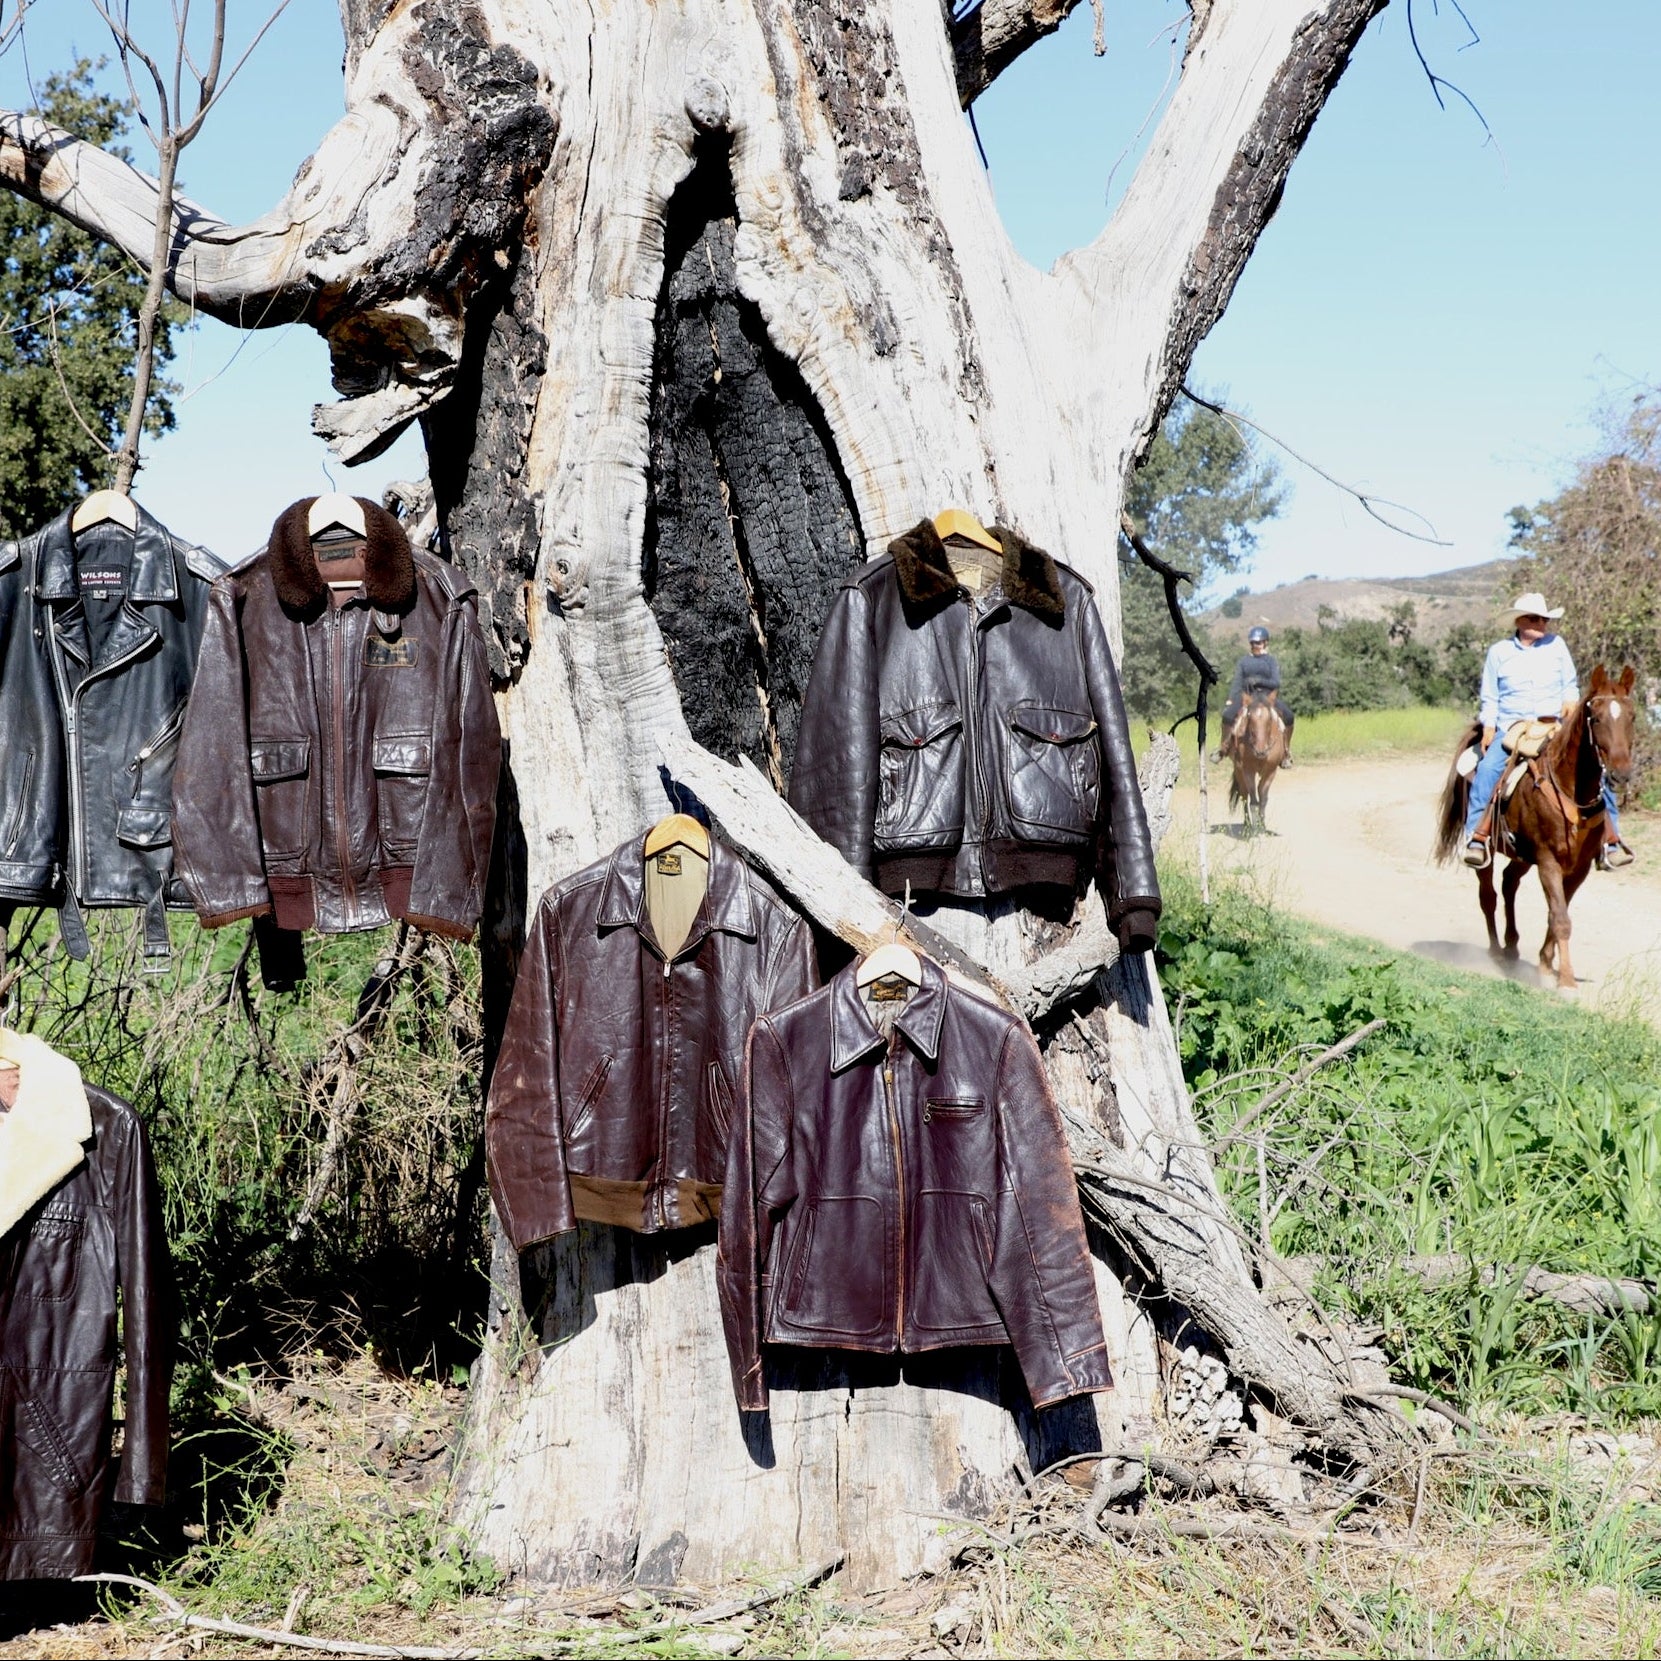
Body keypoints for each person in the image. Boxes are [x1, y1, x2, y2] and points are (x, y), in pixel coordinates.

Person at [1460, 592, 1634, 871]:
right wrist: (1489, 725)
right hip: (1512, 725)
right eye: (1534, 618)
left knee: (1598, 771)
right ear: (1518, 621)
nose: (1541, 623)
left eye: (1544, 619)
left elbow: (1569, 683)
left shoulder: (1557, 646)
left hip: (1554, 724)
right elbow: (1490, 696)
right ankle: (1476, 837)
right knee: (1489, 769)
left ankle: (1611, 841)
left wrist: (1569, 700)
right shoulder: (1499, 653)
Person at [1217, 625, 1294, 767]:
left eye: (1258, 643)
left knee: (1289, 716)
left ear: (1265, 643)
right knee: (1227, 715)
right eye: (1253, 643)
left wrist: (1259, 681)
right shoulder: (1244, 661)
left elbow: (1276, 682)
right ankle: (1224, 748)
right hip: (1248, 697)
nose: (1255, 646)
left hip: (1267, 697)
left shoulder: (1270, 661)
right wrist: (1231, 699)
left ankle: (1285, 752)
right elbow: (1237, 682)